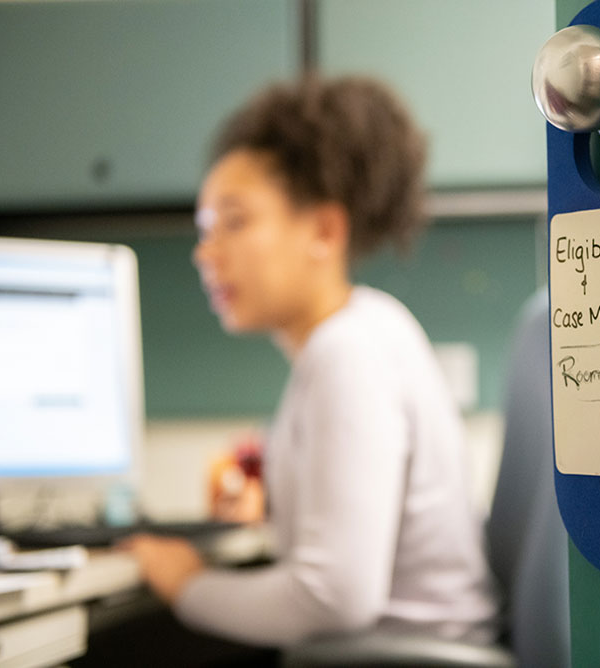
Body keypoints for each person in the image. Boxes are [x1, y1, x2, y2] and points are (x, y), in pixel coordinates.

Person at [123, 76, 499, 647]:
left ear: (324, 230)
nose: (205, 252)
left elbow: (334, 599)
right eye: (204, 230)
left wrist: (186, 584)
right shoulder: (360, 331)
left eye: (235, 221)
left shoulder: (346, 352)